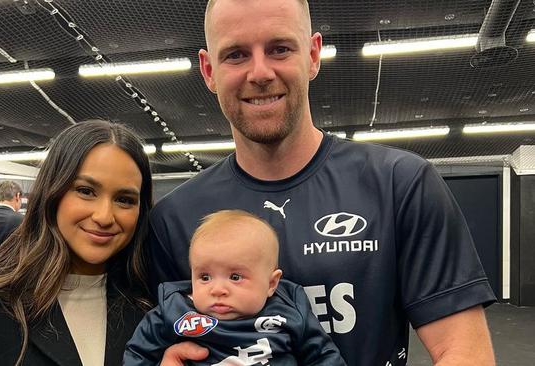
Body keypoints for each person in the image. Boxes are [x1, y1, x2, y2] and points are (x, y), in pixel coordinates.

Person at [148, 1, 497, 365]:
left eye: (279, 49)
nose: (260, 72)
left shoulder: (400, 183)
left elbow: (463, 351)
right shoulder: (174, 219)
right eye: (236, 54)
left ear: (313, 55)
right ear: (209, 70)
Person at [0, 120, 153, 366]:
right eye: (86, 191)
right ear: (52, 192)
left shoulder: (153, 305)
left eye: (125, 199)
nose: (104, 216)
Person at [125, 210, 345, 365]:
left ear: (271, 283)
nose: (218, 289)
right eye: (205, 277)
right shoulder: (175, 310)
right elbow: (138, 353)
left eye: (235, 277)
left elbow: (323, 355)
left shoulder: (289, 309)